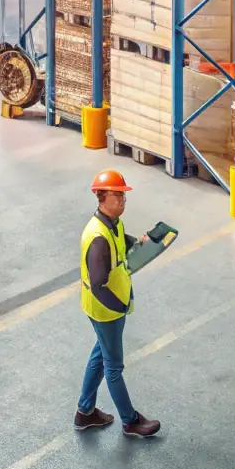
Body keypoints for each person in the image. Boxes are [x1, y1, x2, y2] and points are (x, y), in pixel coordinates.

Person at [75, 169, 161, 439]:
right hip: (106, 310)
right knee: (113, 367)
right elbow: (98, 284)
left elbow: (122, 242)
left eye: (124, 195)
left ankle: (85, 412)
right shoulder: (98, 238)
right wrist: (118, 308)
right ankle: (130, 421)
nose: (123, 200)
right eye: (118, 195)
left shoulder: (113, 223)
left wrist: (142, 243)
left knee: (100, 354)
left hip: (108, 307)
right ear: (102, 197)